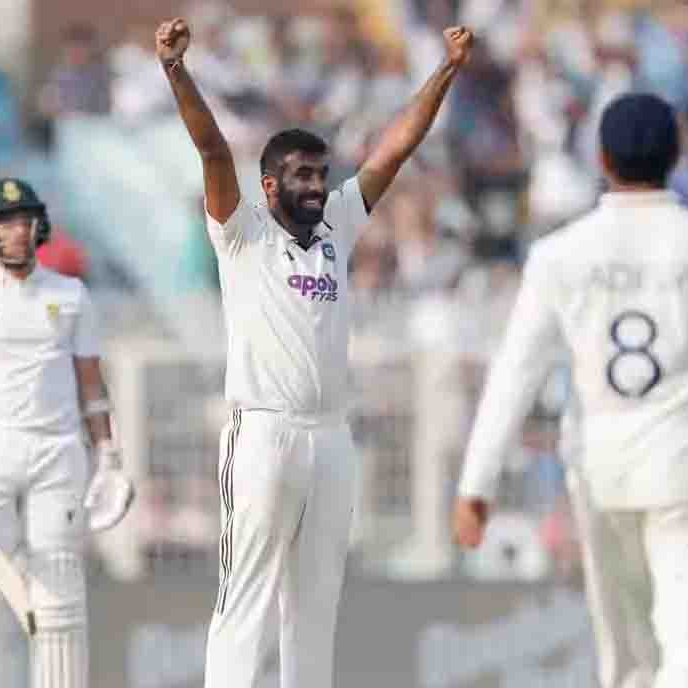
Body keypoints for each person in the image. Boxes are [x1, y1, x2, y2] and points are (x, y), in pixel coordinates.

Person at [155, 16, 472, 688]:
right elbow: (213, 150)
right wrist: (176, 70)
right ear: (268, 186)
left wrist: (445, 70)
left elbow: (394, 150)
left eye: (321, 176)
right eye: (300, 176)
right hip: (263, 433)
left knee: (315, 607)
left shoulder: (337, 226)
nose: (314, 187)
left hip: (330, 437)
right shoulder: (241, 232)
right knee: (245, 600)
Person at [452, 93, 688, 688]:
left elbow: (515, 373)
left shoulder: (559, 255)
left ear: (602, 158)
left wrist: (476, 484)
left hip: (602, 466)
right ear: (677, 155)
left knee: (630, 658)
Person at [0, 178, 135, 688]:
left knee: (58, 597)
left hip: (57, 453)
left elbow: (91, 384)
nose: (17, 230)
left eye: (24, 220)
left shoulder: (71, 295)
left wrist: (108, 456)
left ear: (39, 226)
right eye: (5, 222)